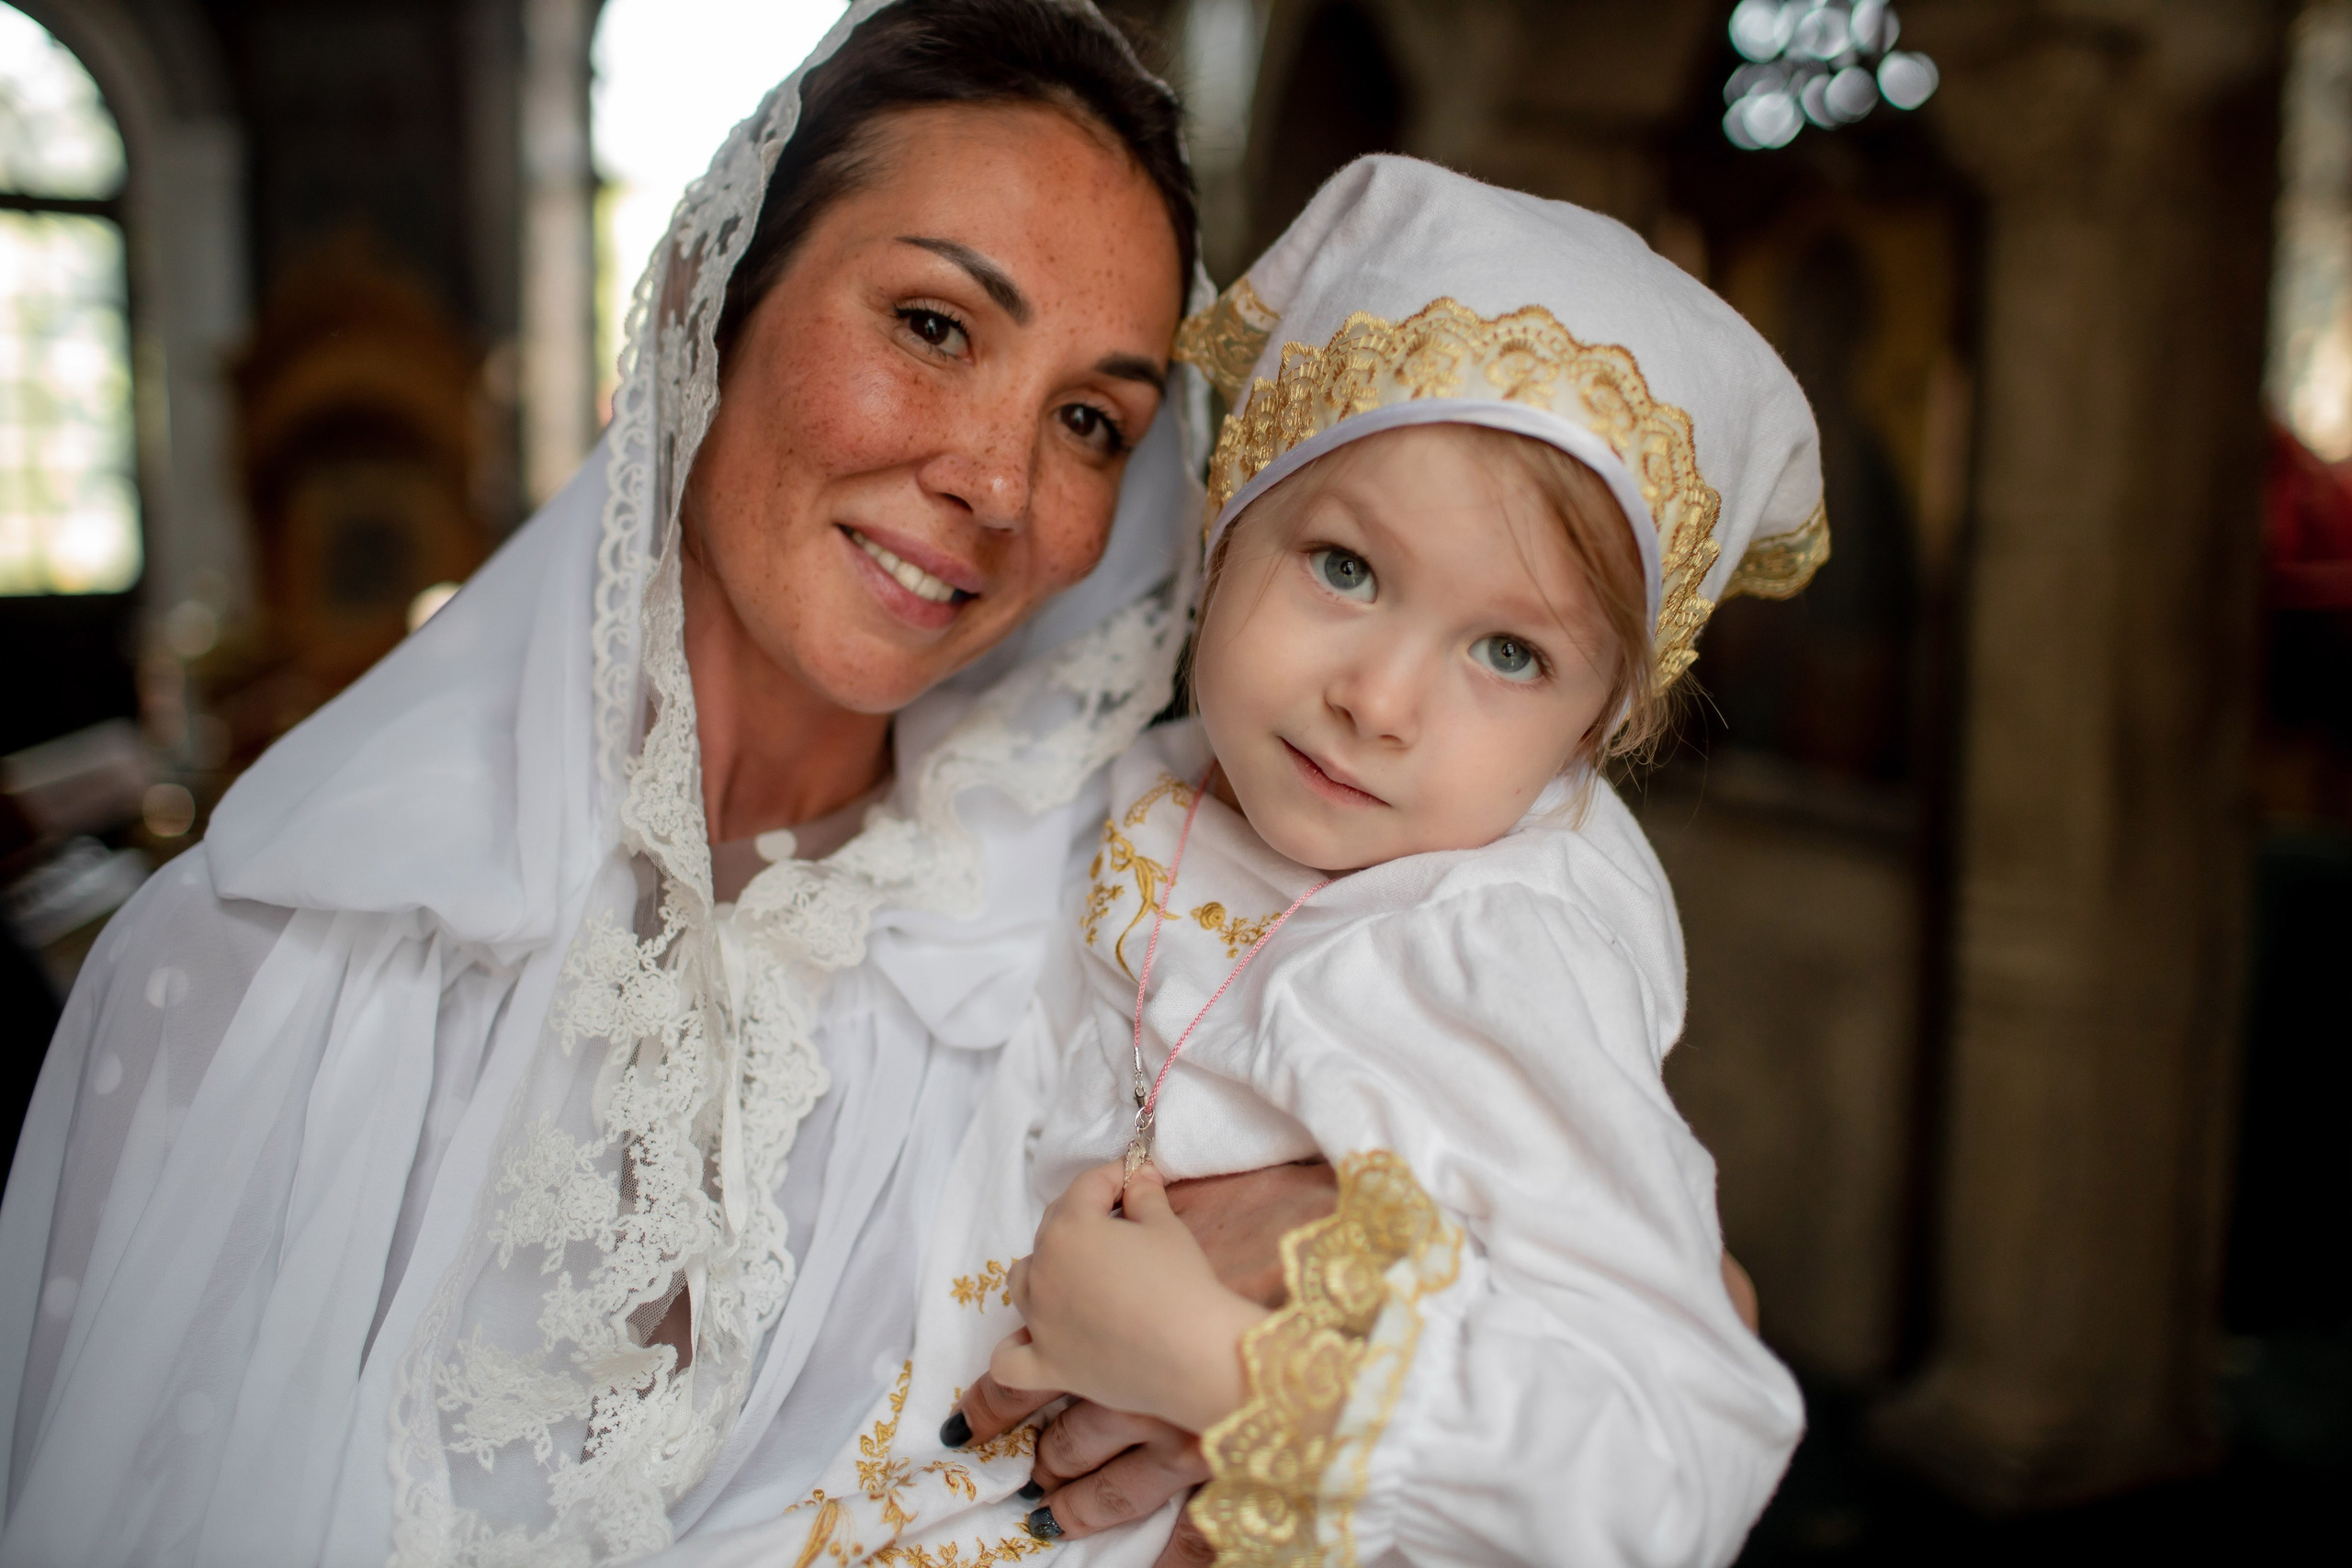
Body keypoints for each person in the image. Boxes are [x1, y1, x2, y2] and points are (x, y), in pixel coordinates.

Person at [0, 4, 1319, 1563]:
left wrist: (1325, 1244)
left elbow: (1647, 1323)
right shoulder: (265, 962)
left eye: (1090, 420)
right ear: (712, 288)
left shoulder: (1124, 951)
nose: (1000, 481)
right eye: (935, 326)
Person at [671, 155, 1829, 1568]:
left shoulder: (1492, 938)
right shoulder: (1124, 783)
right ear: (1230, 527)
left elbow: (1676, 1456)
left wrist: (1219, 1367)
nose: (1380, 699)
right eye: (1345, 567)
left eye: (1510, 653)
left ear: (1600, 732)